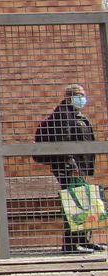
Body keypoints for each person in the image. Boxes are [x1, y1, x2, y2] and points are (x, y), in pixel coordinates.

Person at [35, 84, 103, 252]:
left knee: (82, 200)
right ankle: (71, 244)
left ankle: (83, 240)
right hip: (67, 167)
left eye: (83, 95)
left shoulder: (75, 114)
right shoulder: (63, 115)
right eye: (78, 95)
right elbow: (62, 141)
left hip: (78, 166)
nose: (82, 98)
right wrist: (71, 164)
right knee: (73, 202)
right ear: (68, 97)